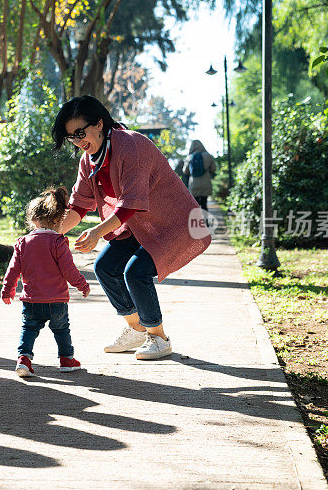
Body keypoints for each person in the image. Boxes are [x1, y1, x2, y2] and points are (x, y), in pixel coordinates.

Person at [53, 96, 211, 360]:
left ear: (100, 123)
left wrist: (96, 233)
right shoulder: (88, 160)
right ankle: (137, 329)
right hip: (135, 227)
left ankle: (159, 338)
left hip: (170, 223)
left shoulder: (131, 146)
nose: (78, 141)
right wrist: (47, 235)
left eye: (80, 132)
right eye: (71, 137)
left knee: (135, 272)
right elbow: (79, 206)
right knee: (104, 267)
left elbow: (130, 205)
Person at [1, 187, 90, 377]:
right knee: (62, 330)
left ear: (32, 220)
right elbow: (69, 270)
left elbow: (13, 270)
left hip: (32, 300)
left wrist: (8, 289)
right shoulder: (58, 242)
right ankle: (67, 360)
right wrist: (82, 284)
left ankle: (24, 360)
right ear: (57, 220)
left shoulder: (22, 243)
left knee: (29, 329)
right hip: (57, 300)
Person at [184, 140, 216, 212]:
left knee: (195, 206)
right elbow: (213, 169)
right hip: (206, 182)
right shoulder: (208, 155)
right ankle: (206, 222)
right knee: (204, 204)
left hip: (194, 183)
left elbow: (185, 171)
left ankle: (197, 222)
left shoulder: (189, 157)